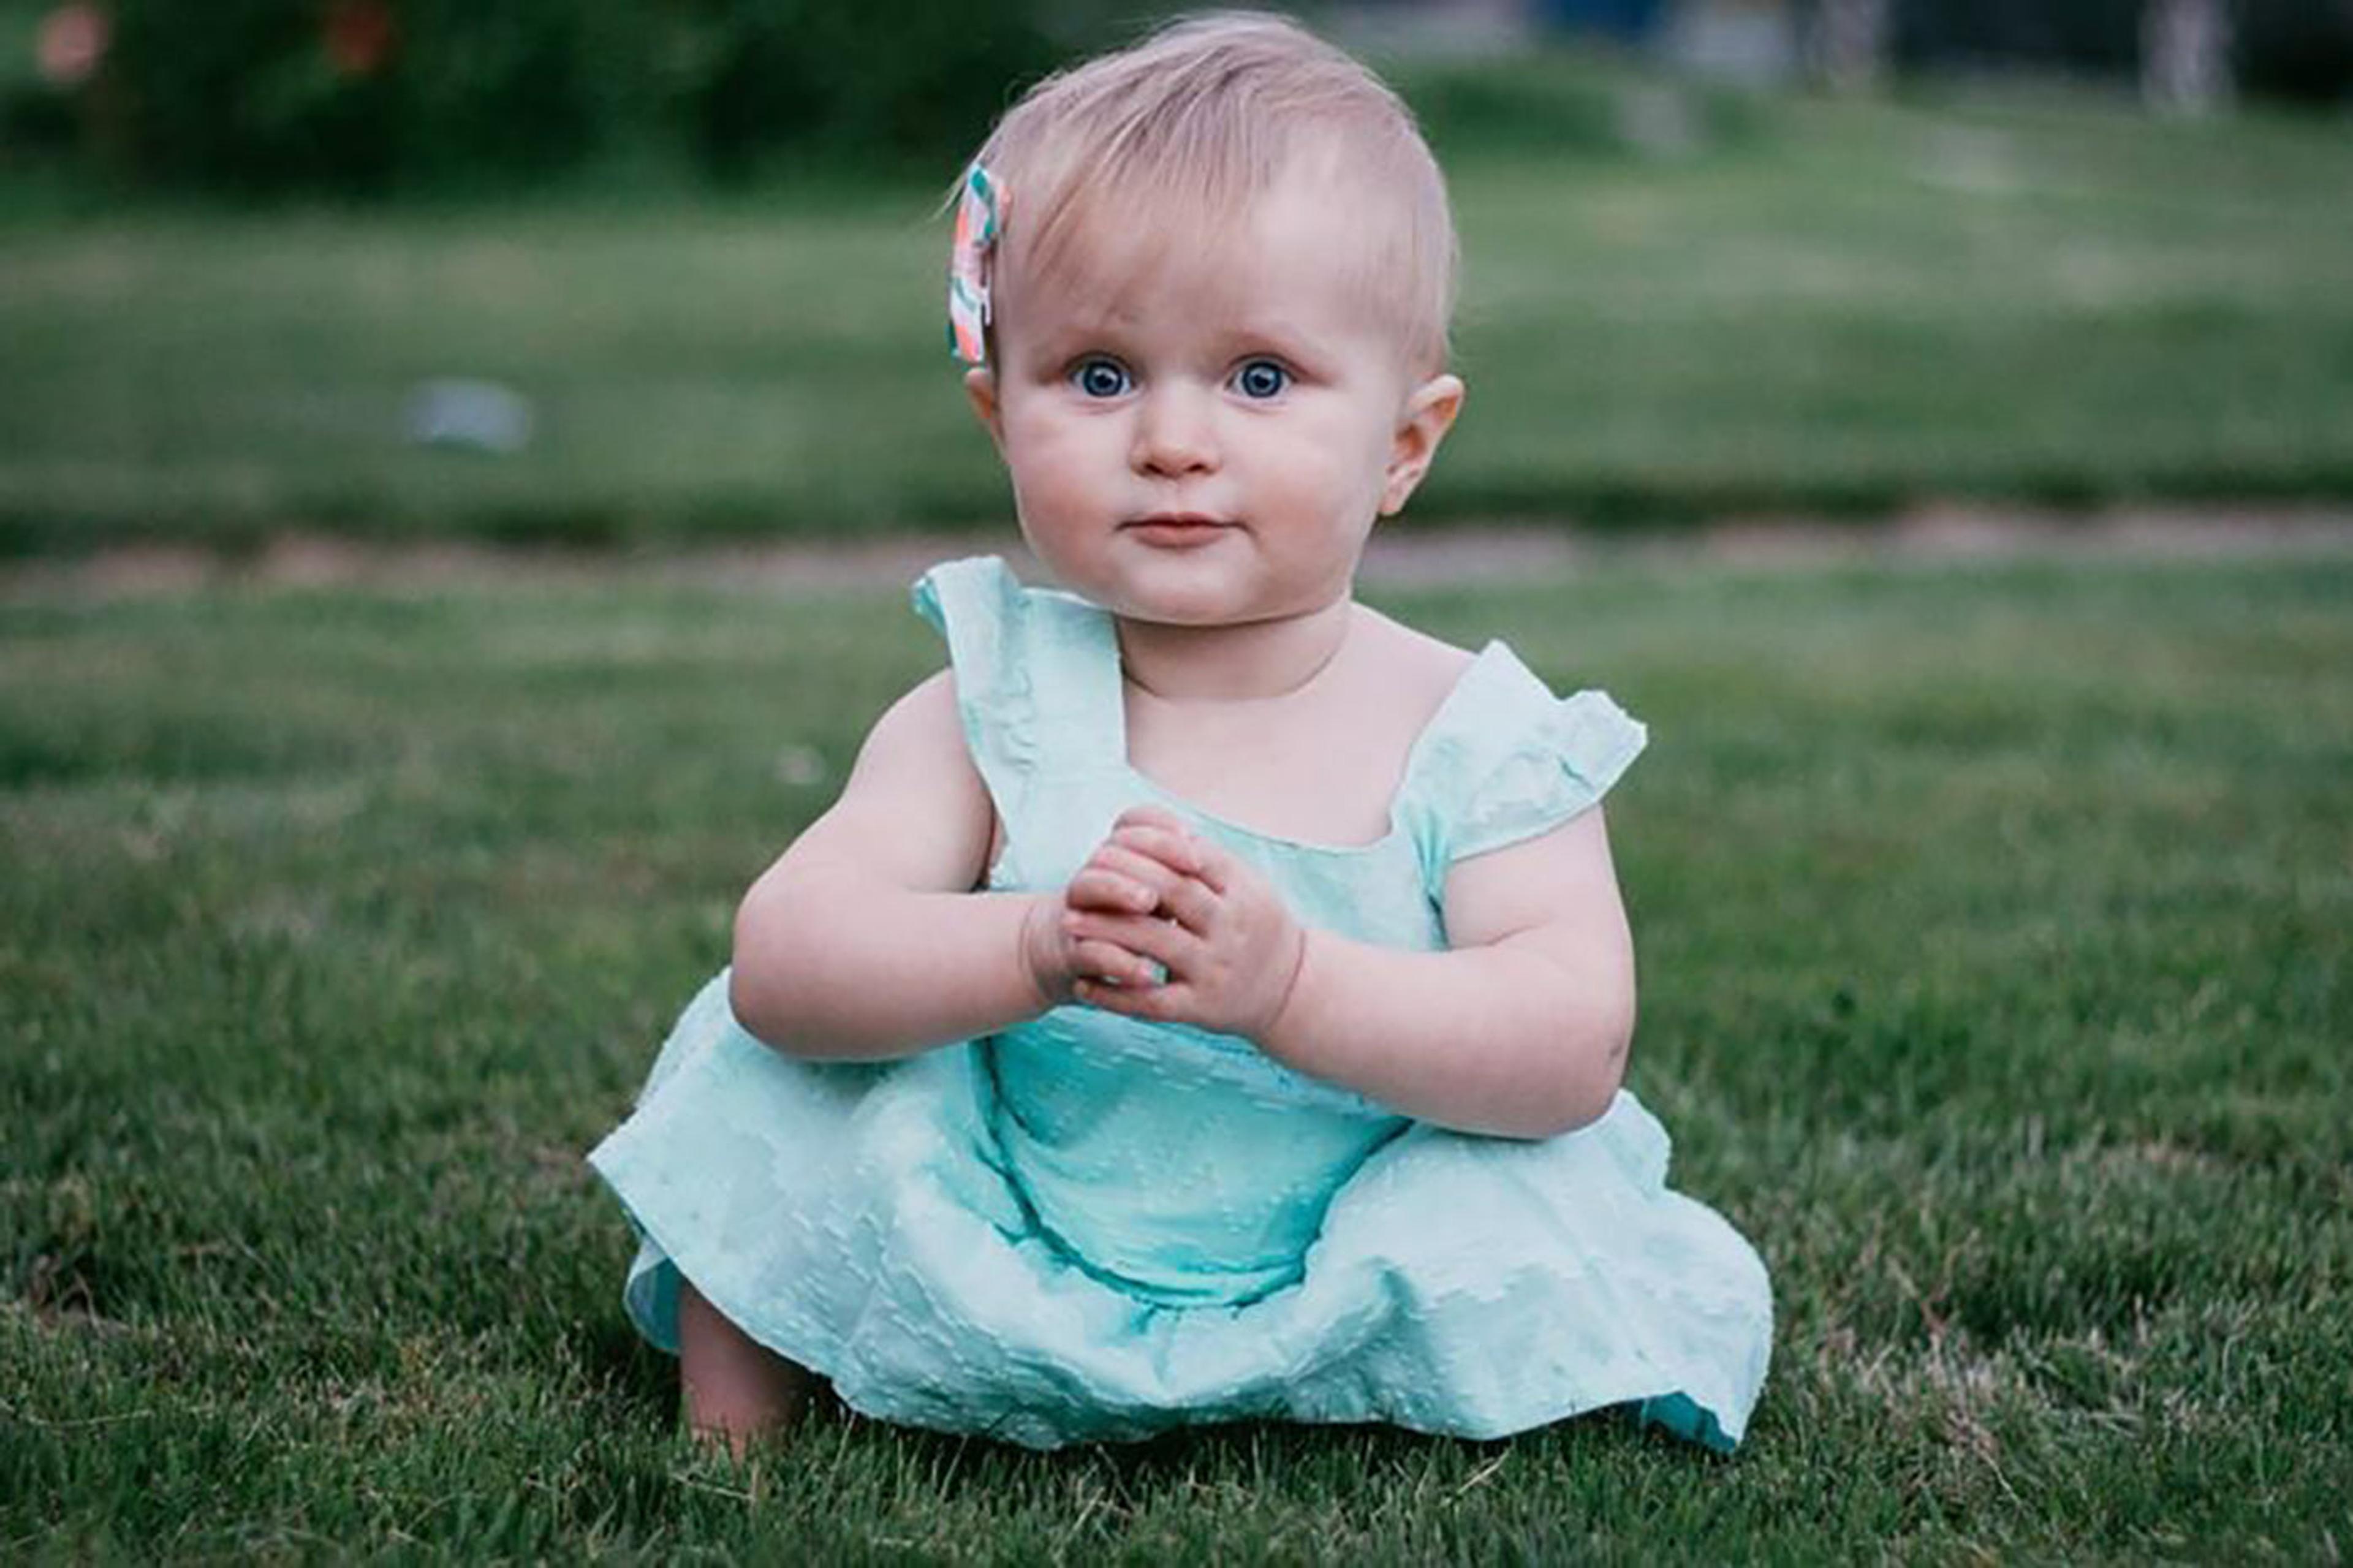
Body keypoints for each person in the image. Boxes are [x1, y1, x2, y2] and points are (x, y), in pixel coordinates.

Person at [589, 11, 1771, 1458]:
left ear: (1405, 444)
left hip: (1351, 1227)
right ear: (998, 416)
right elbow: (787, 957)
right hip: (1011, 1210)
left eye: (1259, 377)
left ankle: (1428, 1384)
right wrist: (1028, 948)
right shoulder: (991, 703)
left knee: (1534, 1179)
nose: (1171, 439)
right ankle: (735, 1442)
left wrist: (1291, 985)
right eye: (1097, 374)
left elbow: (1568, 1042)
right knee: (771, 1056)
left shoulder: (1478, 735)